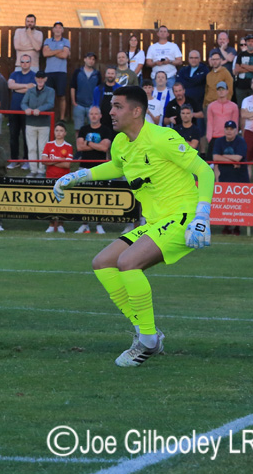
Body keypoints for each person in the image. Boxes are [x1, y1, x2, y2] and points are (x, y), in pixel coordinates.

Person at [54, 85, 215, 367]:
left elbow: (204, 170)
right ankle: (146, 330)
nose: (111, 112)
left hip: (182, 216)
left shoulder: (162, 137)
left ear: (137, 111)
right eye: (111, 106)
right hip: (155, 221)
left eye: (117, 106)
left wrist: (202, 216)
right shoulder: (120, 142)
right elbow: (117, 167)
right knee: (103, 262)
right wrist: (80, 175)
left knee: (128, 262)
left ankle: (149, 341)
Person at [75, 106, 113, 234]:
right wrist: (96, 145)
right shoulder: (83, 129)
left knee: (100, 197)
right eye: (91, 114)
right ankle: (84, 224)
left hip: (100, 168)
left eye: (96, 114)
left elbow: (104, 148)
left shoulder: (106, 130)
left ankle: (99, 225)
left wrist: (88, 143)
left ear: (100, 115)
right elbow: (79, 147)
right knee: (83, 196)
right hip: (84, 167)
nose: (94, 116)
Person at [212, 120, 248, 236]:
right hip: (225, 176)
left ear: (236, 131)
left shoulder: (240, 141)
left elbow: (238, 158)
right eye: (227, 129)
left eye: (231, 129)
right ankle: (226, 225)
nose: (229, 131)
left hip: (240, 177)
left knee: (239, 203)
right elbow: (215, 157)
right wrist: (230, 160)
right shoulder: (219, 141)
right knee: (226, 203)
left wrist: (223, 157)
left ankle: (237, 226)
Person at [21, 71, 55, 177]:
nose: (40, 80)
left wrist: (39, 109)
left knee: (42, 148)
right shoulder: (30, 91)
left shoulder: (50, 91)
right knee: (31, 147)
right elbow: (23, 103)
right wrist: (26, 109)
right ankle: (33, 170)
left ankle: (41, 170)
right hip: (30, 122)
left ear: (45, 79)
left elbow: (50, 103)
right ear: (35, 79)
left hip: (43, 123)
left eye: (42, 78)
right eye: (38, 78)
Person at [42, 122, 73, 233]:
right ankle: (51, 224)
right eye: (56, 130)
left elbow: (67, 165)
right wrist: (60, 159)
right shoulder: (49, 145)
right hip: (50, 177)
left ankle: (60, 224)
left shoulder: (68, 146)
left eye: (61, 130)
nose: (58, 133)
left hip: (63, 178)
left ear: (65, 133)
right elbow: (44, 161)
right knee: (50, 201)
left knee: (62, 201)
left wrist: (52, 161)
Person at [8, 55, 36, 168]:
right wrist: (25, 86)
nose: (24, 64)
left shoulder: (34, 75)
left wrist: (17, 87)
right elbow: (10, 85)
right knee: (13, 135)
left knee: (26, 136)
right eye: (22, 62)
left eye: (27, 62)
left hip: (27, 111)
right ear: (20, 63)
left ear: (30, 63)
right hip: (14, 110)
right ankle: (14, 160)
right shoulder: (14, 74)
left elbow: (33, 88)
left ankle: (26, 160)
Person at [42, 22, 70, 121]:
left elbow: (64, 55)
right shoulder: (47, 40)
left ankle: (62, 118)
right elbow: (45, 53)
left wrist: (52, 52)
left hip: (61, 72)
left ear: (62, 30)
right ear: (53, 30)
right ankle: (49, 116)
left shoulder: (66, 41)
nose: (58, 30)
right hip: (49, 72)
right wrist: (59, 50)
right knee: (49, 95)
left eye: (60, 28)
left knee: (61, 95)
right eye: (56, 28)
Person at [70, 52, 100, 132]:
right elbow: (73, 87)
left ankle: (92, 144)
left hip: (92, 105)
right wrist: (74, 102)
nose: (91, 61)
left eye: (93, 59)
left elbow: (99, 90)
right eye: (89, 58)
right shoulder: (78, 72)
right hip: (79, 104)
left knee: (94, 128)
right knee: (78, 129)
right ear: (85, 59)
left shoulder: (97, 74)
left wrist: (96, 104)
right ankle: (78, 144)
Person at [204, 82, 238, 154]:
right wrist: (209, 138)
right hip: (215, 137)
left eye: (223, 89)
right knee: (212, 163)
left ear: (227, 91)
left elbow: (235, 123)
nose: (221, 91)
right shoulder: (211, 106)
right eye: (219, 89)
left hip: (228, 137)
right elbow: (210, 123)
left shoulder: (233, 106)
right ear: (216, 91)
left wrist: (234, 138)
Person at [233, 34, 253, 104]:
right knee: (241, 107)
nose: (250, 43)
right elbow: (237, 70)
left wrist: (243, 65)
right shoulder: (240, 55)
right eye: (248, 41)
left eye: (252, 41)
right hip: (240, 87)